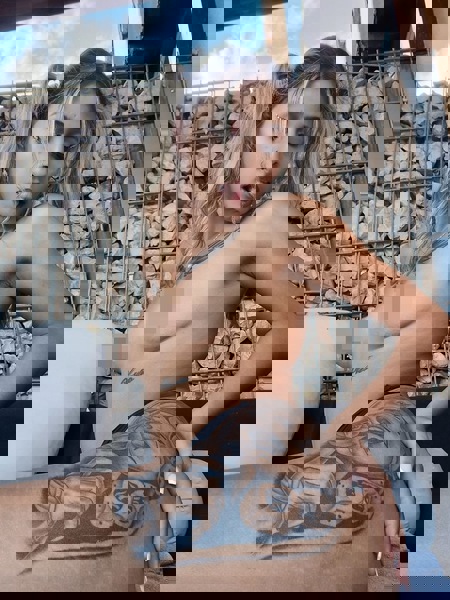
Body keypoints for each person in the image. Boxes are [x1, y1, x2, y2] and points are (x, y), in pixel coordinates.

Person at [0, 43, 445, 591]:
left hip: (221, 413)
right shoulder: (183, 204)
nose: (264, 155)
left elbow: (420, 327)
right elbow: (137, 336)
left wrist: (360, 435)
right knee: (86, 335)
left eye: (289, 138)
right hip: (135, 396)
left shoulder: (297, 224)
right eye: (262, 131)